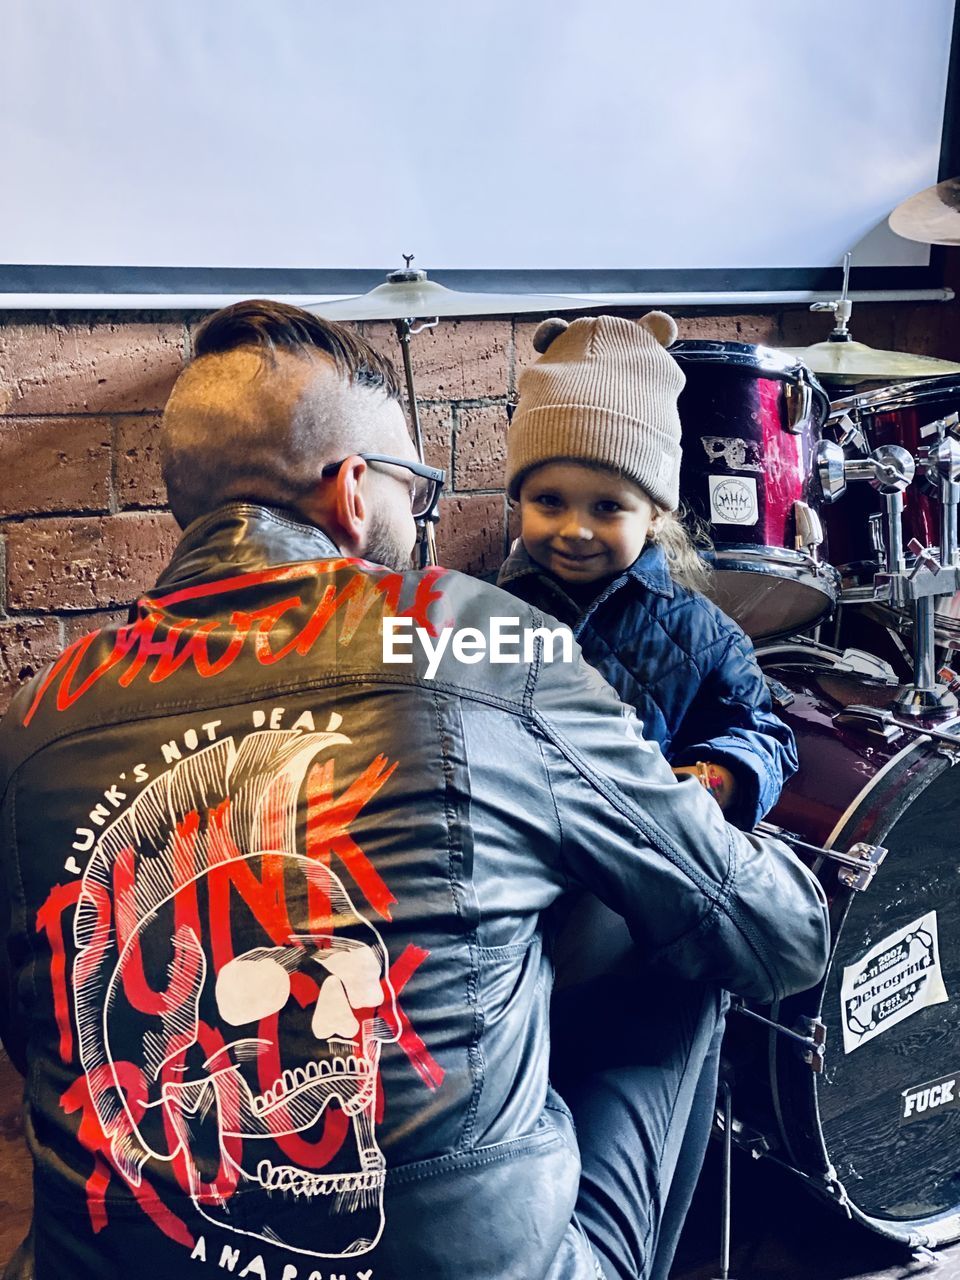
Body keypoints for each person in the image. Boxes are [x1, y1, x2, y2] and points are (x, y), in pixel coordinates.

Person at [0, 300, 829, 1280]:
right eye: (413, 488)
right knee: (691, 933)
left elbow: (33, 1030)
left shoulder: (31, 718)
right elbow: (778, 936)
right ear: (353, 491)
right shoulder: (475, 635)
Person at [497, 310, 800, 1278]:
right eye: (548, 499)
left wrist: (717, 775)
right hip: (527, 921)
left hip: (644, 933)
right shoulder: (486, 616)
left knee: (649, 1146)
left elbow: (769, 732)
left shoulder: (701, 629)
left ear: (657, 510)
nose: (574, 530)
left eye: (607, 505)